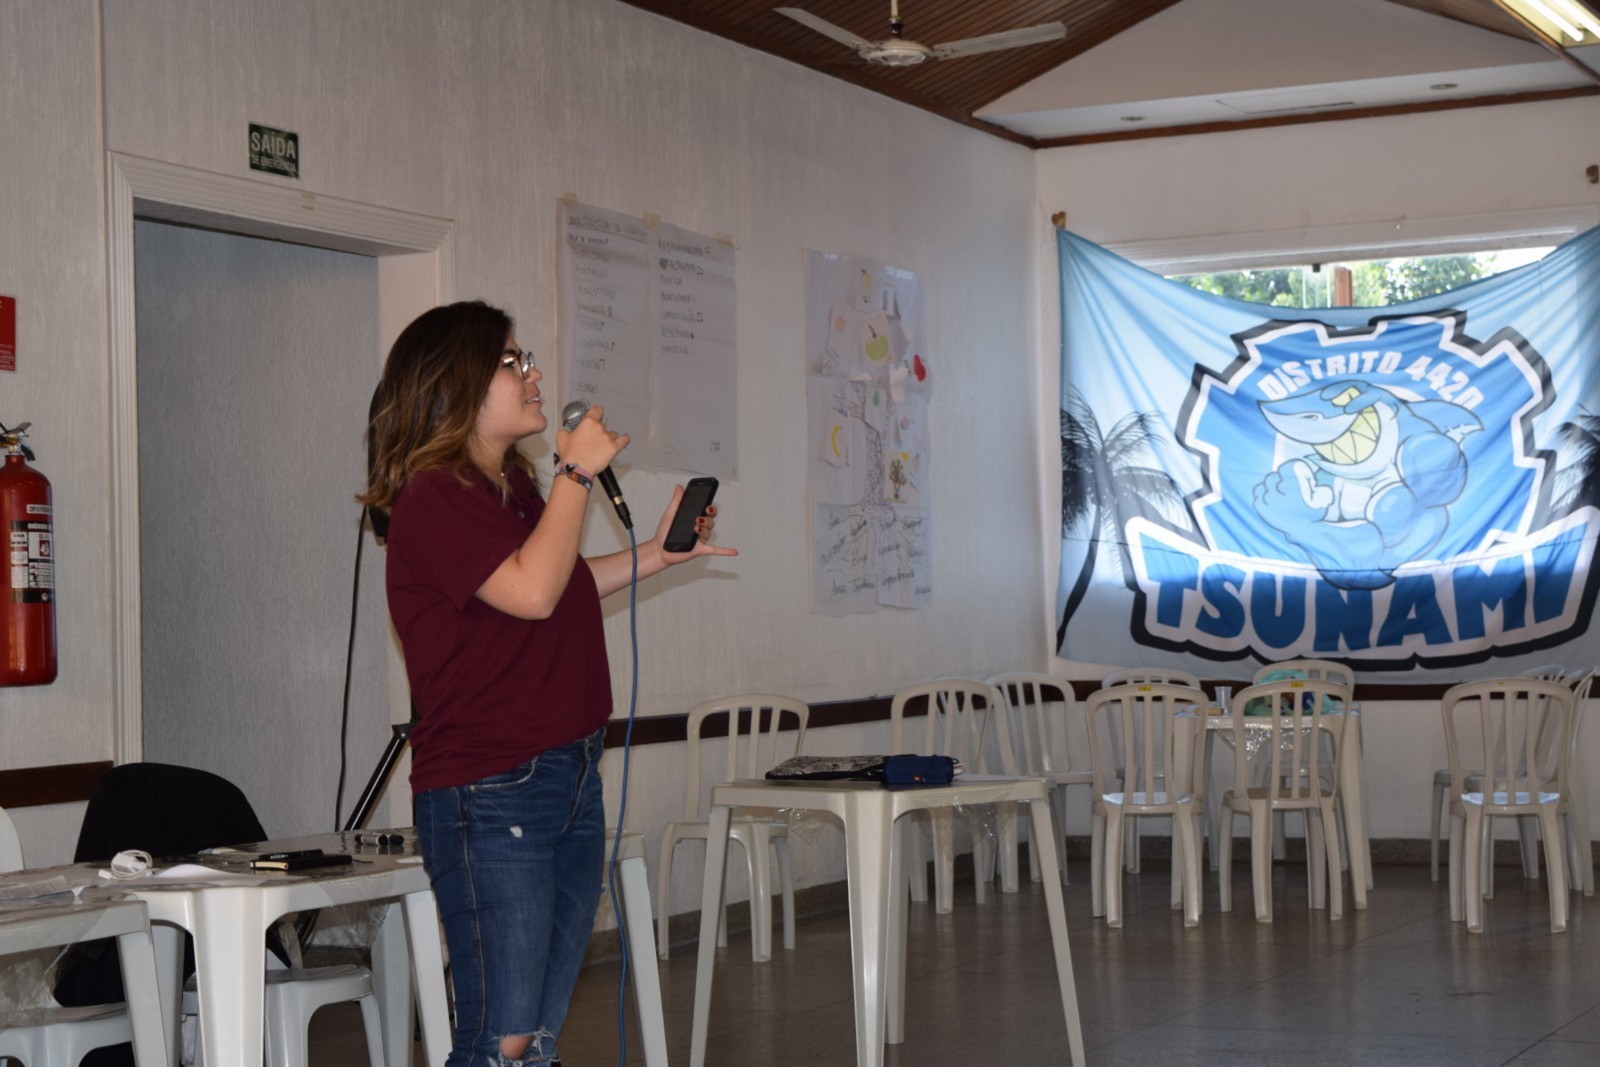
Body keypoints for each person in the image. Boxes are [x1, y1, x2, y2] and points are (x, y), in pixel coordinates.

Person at [359, 300, 735, 1067]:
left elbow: (554, 580)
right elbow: (533, 591)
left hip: (568, 772)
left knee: (533, 1036)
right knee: (500, 1037)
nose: (532, 372)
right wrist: (577, 472)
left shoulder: (512, 486)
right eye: (510, 361)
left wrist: (658, 554)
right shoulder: (431, 497)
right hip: (494, 787)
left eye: (525, 356)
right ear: (456, 383)